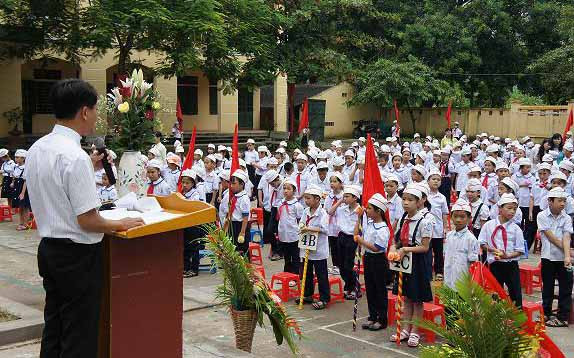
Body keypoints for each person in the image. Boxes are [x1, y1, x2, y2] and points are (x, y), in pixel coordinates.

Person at [26, 79, 144, 358]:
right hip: (77, 255)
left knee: (54, 325)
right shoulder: (74, 157)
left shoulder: (38, 148)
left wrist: (86, 166)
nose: (96, 116)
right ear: (84, 112)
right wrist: (119, 223)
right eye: (95, 109)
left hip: (49, 249)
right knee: (79, 332)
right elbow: (87, 220)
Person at [390, 184, 433, 348]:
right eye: (404, 199)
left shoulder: (426, 220)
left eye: (410, 200)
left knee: (417, 299)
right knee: (406, 297)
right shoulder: (403, 217)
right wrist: (394, 247)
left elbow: (425, 246)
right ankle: (406, 328)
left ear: (419, 202)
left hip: (418, 261)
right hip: (404, 259)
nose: (406, 203)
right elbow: (397, 238)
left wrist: (405, 249)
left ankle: (415, 331)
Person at [479, 193, 525, 308]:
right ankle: (496, 318)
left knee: (515, 292)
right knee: (495, 292)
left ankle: (517, 318)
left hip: (511, 264)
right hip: (495, 264)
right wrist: (491, 249)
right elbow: (482, 243)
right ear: (500, 208)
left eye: (514, 209)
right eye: (509, 208)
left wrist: (507, 256)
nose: (512, 212)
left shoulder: (516, 229)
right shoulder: (489, 225)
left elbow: (520, 250)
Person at [537, 187, 573, 327]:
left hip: (563, 258)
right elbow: (550, 237)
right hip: (548, 257)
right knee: (548, 287)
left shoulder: (567, 217)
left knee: (565, 287)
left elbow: (566, 236)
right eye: (560, 201)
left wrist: (567, 256)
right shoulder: (542, 216)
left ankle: (563, 317)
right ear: (550, 201)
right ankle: (546, 313)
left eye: (564, 201)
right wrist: (568, 252)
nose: (563, 203)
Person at [355, 193, 390, 331]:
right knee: (370, 288)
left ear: (378, 211)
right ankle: (372, 316)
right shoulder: (369, 223)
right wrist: (359, 217)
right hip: (368, 258)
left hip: (378, 259)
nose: (367, 210)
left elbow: (377, 247)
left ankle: (382, 319)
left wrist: (361, 241)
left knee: (379, 289)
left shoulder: (382, 228)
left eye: (369, 208)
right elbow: (356, 233)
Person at [297, 185, 330, 310]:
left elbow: (325, 229)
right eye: (305, 198)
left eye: (308, 198)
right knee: (307, 272)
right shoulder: (306, 211)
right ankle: (308, 295)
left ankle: (324, 298)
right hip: (306, 247)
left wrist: (308, 228)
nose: (306, 201)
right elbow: (301, 222)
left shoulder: (323, 213)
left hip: (319, 249)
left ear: (317, 199)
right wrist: (301, 227)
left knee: (321, 274)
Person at [443, 199, 480, 289]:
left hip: (463, 280)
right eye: (455, 216)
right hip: (449, 276)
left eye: (462, 217)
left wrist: (472, 283)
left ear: (469, 218)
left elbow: (473, 263)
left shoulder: (470, 239)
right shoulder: (449, 235)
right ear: (451, 217)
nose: (458, 220)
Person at [335, 185, 361, 299]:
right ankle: (349, 285)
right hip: (341, 236)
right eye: (344, 196)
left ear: (355, 198)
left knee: (348, 264)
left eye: (347, 196)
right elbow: (330, 212)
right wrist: (340, 201)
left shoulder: (360, 210)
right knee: (340, 264)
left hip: (352, 237)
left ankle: (354, 287)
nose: (344, 198)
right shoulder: (342, 209)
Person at [277, 179, 304, 274]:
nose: (285, 191)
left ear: (294, 191)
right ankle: (287, 273)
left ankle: (295, 274)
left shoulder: (297, 205)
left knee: (295, 256)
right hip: (283, 234)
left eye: (288, 189)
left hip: (293, 235)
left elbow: (300, 220)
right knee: (286, 256)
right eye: (284, 188)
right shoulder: (280, 203)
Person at [426, 169, 449, 280]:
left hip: (438, 227)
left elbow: (444, 213)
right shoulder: (424, 195)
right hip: (425, 228)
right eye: (433, 179)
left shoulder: (442, 198)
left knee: (438, 251)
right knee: (427, 250)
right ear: (428, 181)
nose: (436, 181)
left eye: (438, 179)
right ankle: (427, 271)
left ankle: (439, 271)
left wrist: (445, 227)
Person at [223, 170, 251, 254]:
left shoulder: (244, 198)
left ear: (242, 184)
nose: (231, 186)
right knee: (232, 248)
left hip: (241, 225)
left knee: (241, 249)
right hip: (233, 225)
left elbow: (245, 217)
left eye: (234, 184)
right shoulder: (234, 196)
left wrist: (242, 233)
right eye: (231, 184)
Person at [11, 149, 30, 230]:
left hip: (23, 188)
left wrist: (22, 193)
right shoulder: (15, 166)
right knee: (19, 207)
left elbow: (25, 181)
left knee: (25, 207)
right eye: (16, 157)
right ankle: (20, 222)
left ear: (23, 158)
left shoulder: (26, 167)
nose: (16, 159)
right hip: (16, 188)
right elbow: (14, 176)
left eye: (19, 157)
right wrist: (12, 182)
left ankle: (25, 224)